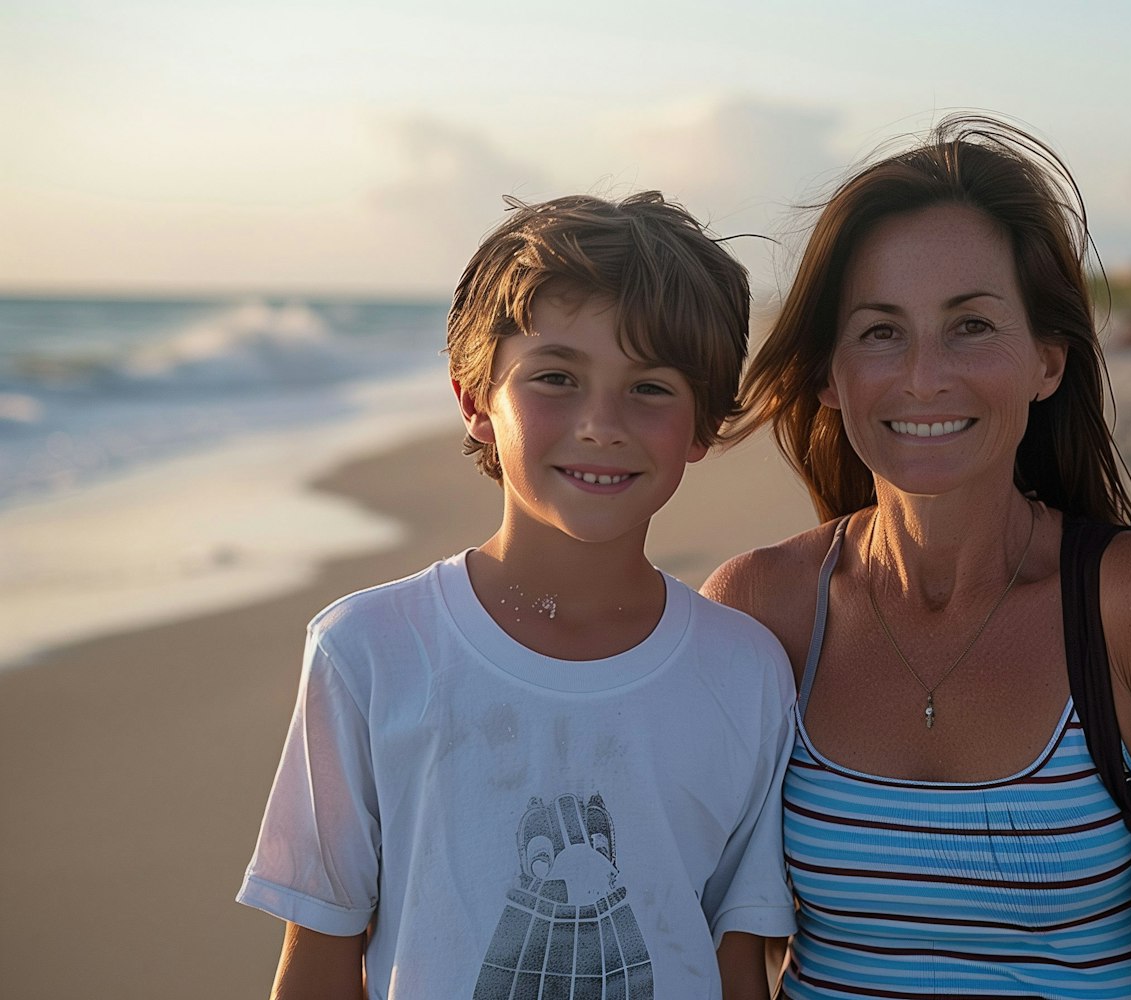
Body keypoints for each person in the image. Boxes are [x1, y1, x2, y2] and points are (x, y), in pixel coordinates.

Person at [705, 116, 1131, 998]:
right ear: (828, 377)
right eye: (881, 331)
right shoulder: (762, 611)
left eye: (971, 325)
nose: (924, 376)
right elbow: (719, 940)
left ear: (1047, 360)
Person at [238, 192, 797, 999]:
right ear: (473, 400)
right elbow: (320, 961)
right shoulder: (369, 652)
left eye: (650, 388)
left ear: (703, 425)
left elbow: (736, 965)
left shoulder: (744, 674)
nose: (601, 423)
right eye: (556, 378)